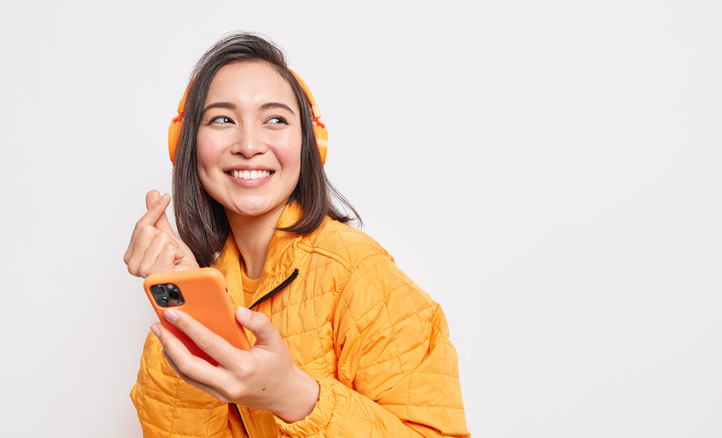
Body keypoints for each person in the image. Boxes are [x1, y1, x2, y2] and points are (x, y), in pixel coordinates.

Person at [124, 32, 469, 437]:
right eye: (222, 119)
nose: (249, 144)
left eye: (275, 119)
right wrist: (187, 307)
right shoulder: (213, 284)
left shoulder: (360, 274)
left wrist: (294, 396)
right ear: (185, 145)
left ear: (311, 145)